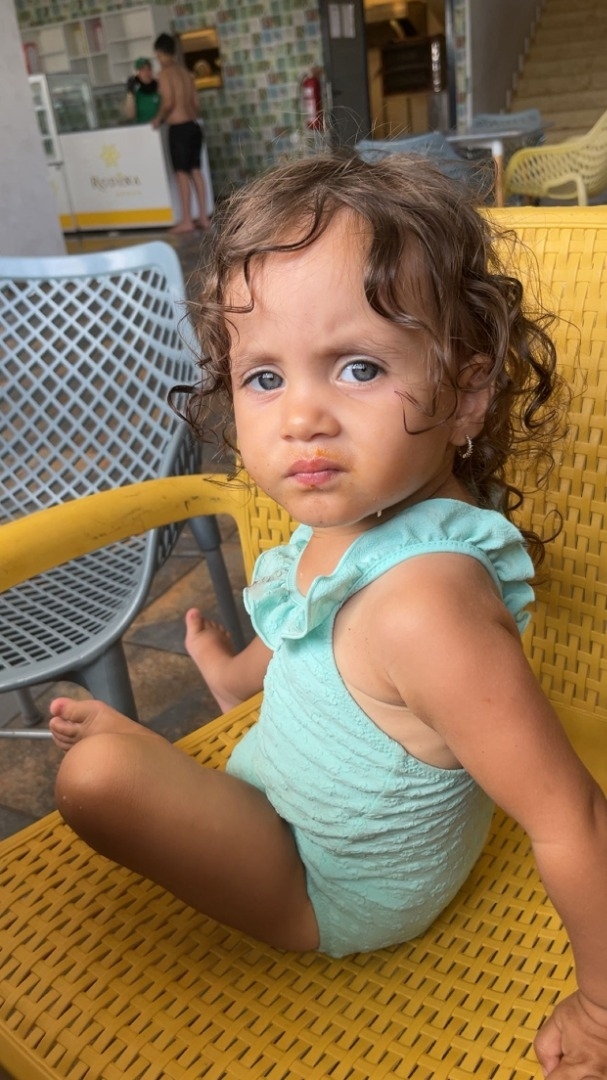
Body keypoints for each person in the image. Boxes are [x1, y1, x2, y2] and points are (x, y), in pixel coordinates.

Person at [48, 152, 607, 1077]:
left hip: (333, 886)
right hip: (284, 787)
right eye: (264, 377)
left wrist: (597, 1008)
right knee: (188, 723)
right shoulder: (356, 512)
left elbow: (572, 818)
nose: (301, 416)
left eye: (357, 366)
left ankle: (171, 749)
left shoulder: (426, 607)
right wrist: (243, 670)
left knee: (95, 780)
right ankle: (234, 693)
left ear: (466, 394)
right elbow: (307, 620)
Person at [151, 32, 209, 233]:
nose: (158, 59)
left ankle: (186, 220)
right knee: (195, 170)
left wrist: (158, 119)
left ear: (160, 53)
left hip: (179, 129)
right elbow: (196, 103)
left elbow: (168, 102)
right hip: (193, 126)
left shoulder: (165, 74)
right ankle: (204, 217)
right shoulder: (185, 73)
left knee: (182, 174)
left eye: (158, 55)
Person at [124, 58, 160, 124]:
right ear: (137, 73)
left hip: (160, 126)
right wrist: (130, 92)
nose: (146, 73)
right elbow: (130, 115)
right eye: (143, 70)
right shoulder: (135, 92)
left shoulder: (158, 87)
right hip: (143, 127)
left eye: (148, 69)